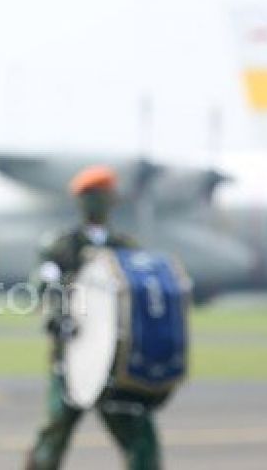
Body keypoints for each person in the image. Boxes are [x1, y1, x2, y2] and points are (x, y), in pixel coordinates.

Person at [26, 165, 167, 470]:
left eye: (101, 196)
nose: (96, 203)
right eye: (90, 196)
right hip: (72, 356)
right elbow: (46, 282)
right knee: (55, 431)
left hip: (117, 361)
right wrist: (57, 314)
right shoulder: (63, 245)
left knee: (140, 437)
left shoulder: (126, 248)